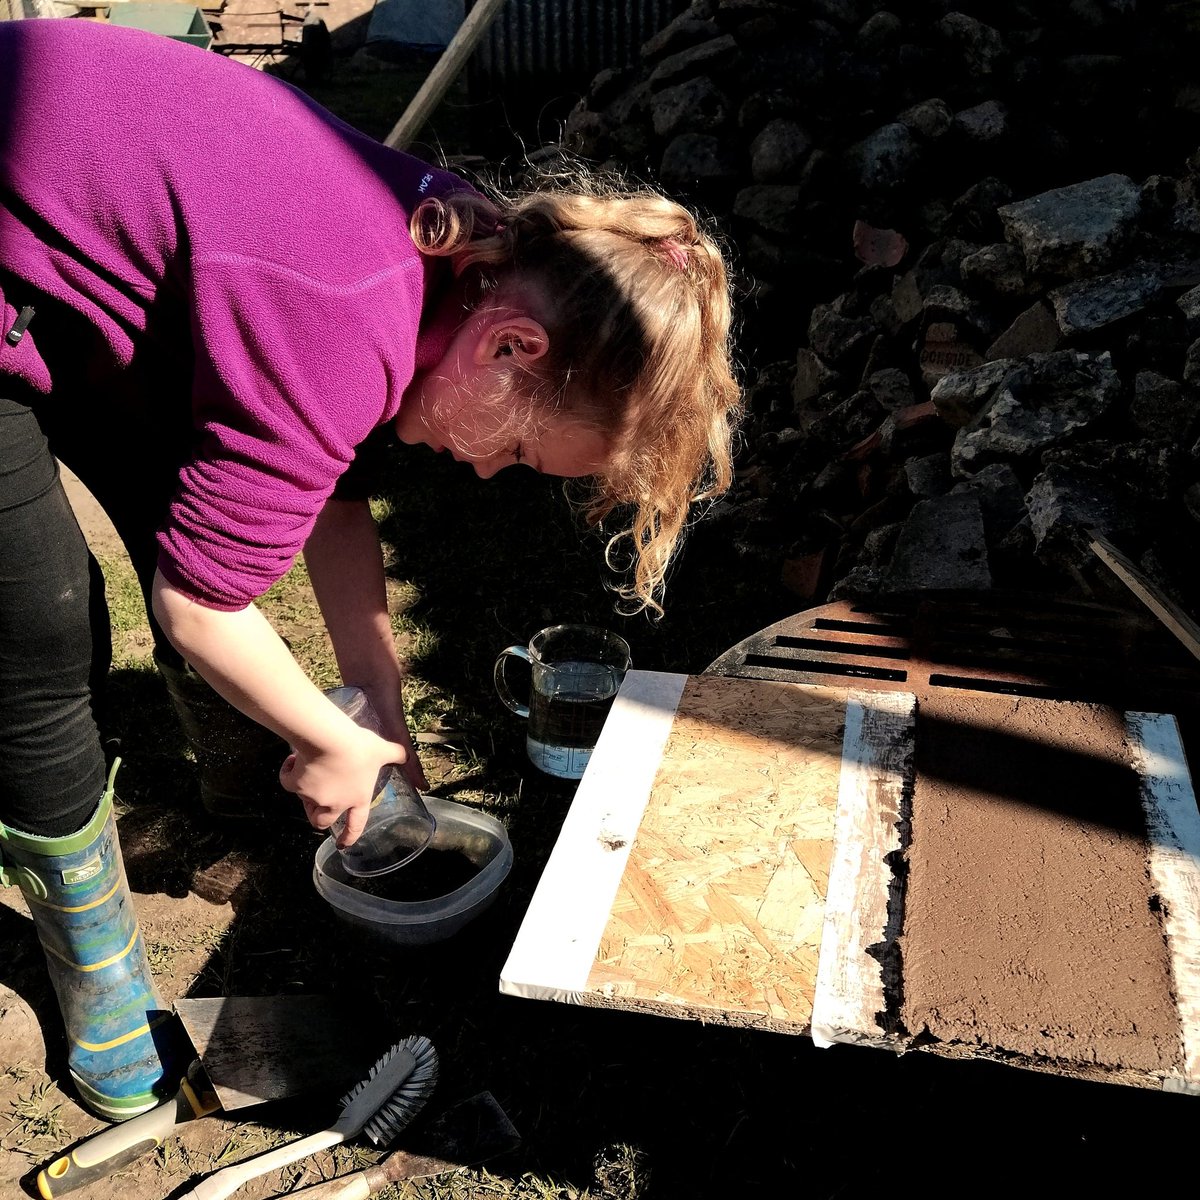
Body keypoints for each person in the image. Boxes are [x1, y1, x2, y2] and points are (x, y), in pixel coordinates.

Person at [0, 16, 741, 1122]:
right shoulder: (345, 310)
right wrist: (336, 741)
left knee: (189, 512)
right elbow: (201, 605)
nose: (491, 474)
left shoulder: (468, 255)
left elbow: (331, 490)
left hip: (90, 255)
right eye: (525, 450)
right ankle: (94, 953)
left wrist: (379, 708)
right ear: (513, 349)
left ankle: (240, 779)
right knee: (46, 622)